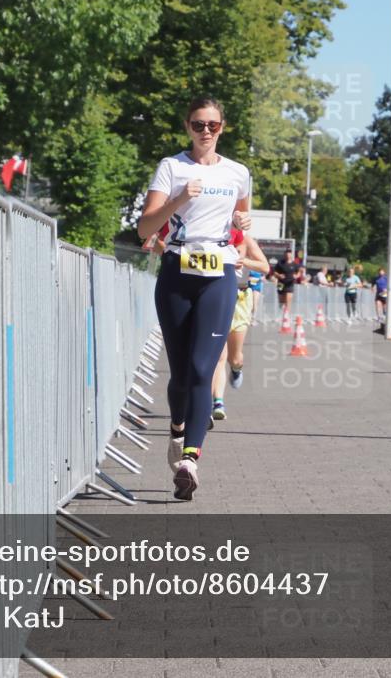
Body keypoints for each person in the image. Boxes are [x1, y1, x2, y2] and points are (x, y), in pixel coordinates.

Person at [138, 96, 251, 500]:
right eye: (198, 125)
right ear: (187, 126)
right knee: (182, 374)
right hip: (176, 272)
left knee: (204, 369)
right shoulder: (172, 167)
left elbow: (241, 219)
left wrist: (242, 222)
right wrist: (180, 198)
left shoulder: (238, 172)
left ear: (223, 127)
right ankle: (177, 428)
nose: (206, 132)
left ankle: (190, 459)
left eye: (213, 125)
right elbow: (144, 228)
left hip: (219, 273)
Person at [211, 232, 270, 420]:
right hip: (216, 297)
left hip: (240, 299)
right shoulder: (209, 234)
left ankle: (236, 369)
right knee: (219, 357)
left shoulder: (245, 240)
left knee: (234, 358)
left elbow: (265, 267)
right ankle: (217, 402)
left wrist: (243, 261)